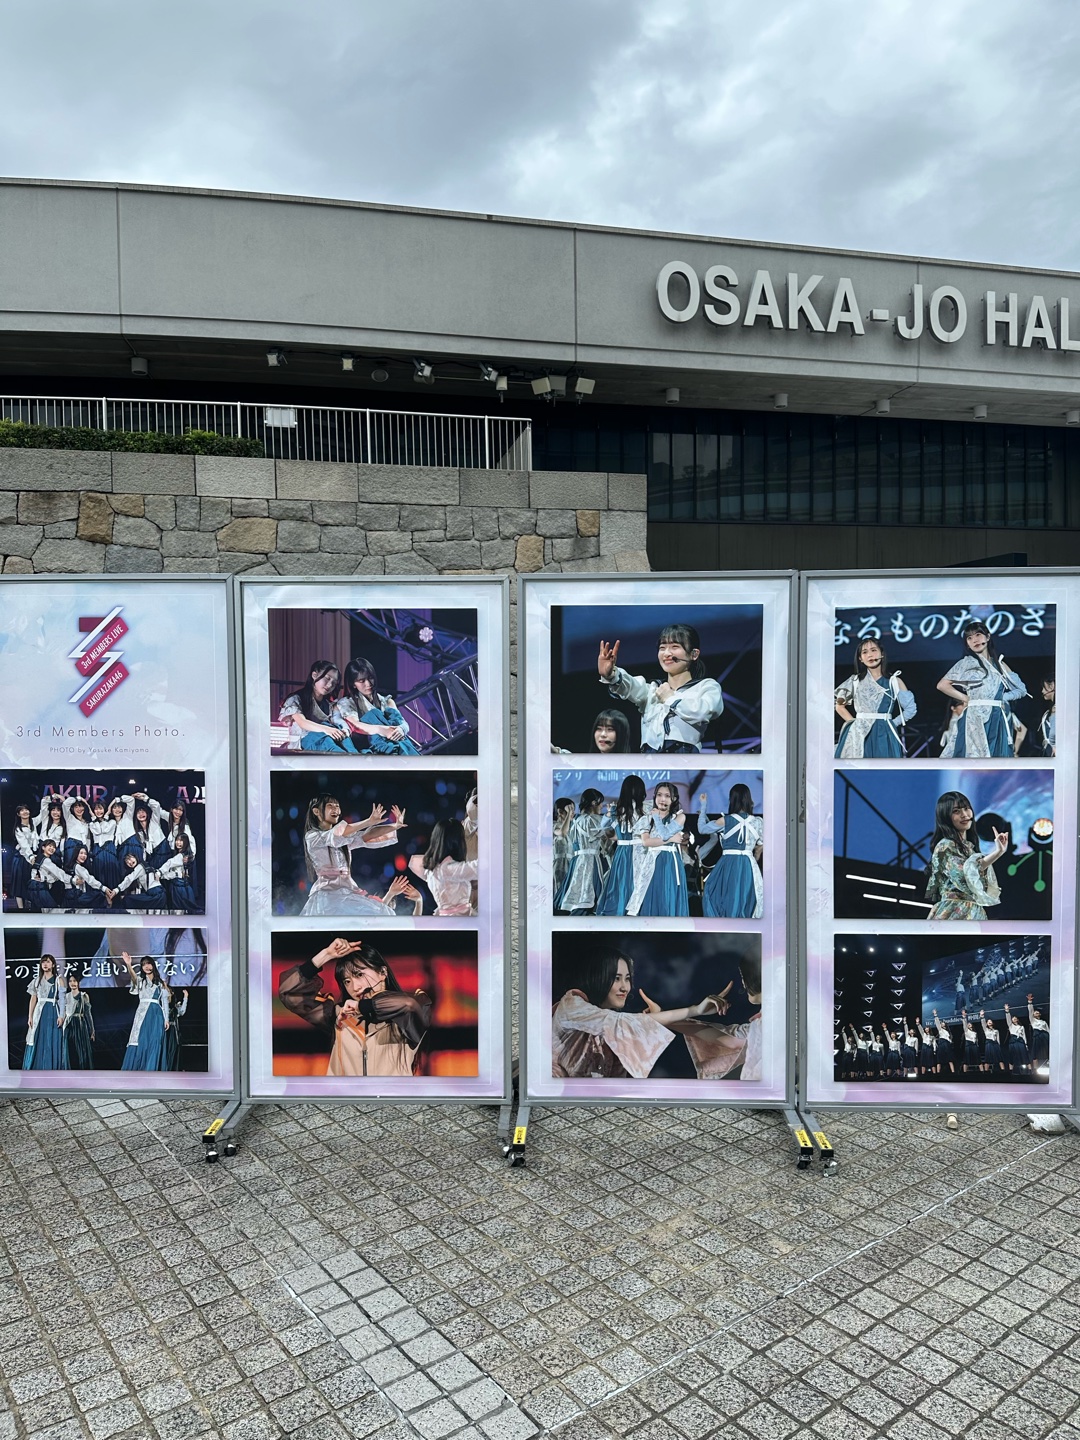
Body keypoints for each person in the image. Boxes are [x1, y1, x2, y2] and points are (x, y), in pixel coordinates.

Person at [551, 946, 721, 1079]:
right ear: (597, 977)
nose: (625, 987)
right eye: (616, 978)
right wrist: (695, 1010)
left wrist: (653, 1019)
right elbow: (620, 1022)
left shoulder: (612, 1029)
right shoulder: (571, 1004)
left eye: (627, 979)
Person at [278, 937, 433, 1077]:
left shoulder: (408, 1016)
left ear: (382, 972)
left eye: (359, 975)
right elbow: (289, 993)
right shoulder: (340, 1016)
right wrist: (326, 955)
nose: (355, 987)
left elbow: (409, 1004)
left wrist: (361, 1006)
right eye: (347, 981)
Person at [597, 623, 724, 753]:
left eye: (675, 647)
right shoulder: (653, 690)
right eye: (662, 648)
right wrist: (611, 675)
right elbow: (631, 685)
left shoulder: (706, 686)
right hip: (650, 761)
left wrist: (671, 698)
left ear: (694, 654)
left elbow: (702, 713)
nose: (667, 653)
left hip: (685, 760)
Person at [300, 795, 419, 917]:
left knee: (382, 913)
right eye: (330, 806)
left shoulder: (343, 840)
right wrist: (368, 821)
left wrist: (395, 826)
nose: (336, 809)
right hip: (328, 895)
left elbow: (366, 836)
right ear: (316, 811)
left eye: (337, 806)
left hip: (347, 892)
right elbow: (337, 834)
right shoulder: (313, 837)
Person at [936, 620, 1027, 758]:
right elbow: (942, 685)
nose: (975, 640)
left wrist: (1001, 698)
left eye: (978, 635)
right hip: (974, 717)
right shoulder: (966, 663)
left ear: (988, 637)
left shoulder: (1000, 664)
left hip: (996, 716)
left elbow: (1021, 690)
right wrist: (965, 698)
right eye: (969, 638)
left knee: (996, 758)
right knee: (973, 758)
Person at [676, 953, 765, 1081]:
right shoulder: (759, 1026)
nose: (743, 984)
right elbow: (730, 1039)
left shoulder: (779, 1021)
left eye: (744, 976)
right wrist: (695, 1010)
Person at [925, 792, 1007, 920]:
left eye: (966, 808)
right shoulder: (945, 846)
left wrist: (999, 852)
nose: (964, 814)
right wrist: (997, 853)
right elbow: (964, 876)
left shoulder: (970, 849)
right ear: (945, 817)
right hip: (954, 911)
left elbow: (977, 878)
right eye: (956, 811)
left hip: (974, 911)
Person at [834, 638, 916, 758]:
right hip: (859, 735)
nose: (870, 655)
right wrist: (855, 724)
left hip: (885, 734)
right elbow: (839, 706)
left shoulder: (894, 681)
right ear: (860, 658)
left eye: (873, 650)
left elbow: (910, 709)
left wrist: (892, 723)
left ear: (882, 654)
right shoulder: (854, 681)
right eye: (865, 652)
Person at [697, 785, 764, 919]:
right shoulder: (758, 822)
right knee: (746, 900)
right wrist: (754, 858)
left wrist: (703, 806)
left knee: (716, 895)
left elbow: (702, 829)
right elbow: (760, 845)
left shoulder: (725, 820)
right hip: (749, 866)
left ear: (732, 800)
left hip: (728, 864)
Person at [408, 794, 479, 916]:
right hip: (460, 919)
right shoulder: (448, 869)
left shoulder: (432, 869)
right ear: (456, 842)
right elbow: (478, 868)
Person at [333, 656, 419, 755]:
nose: (368, 684)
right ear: (353, 684)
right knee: (372, 715)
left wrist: (401, 729)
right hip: (371, 746)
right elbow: (356, 725)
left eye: (370, 678)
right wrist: (383, 730)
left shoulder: (387, 701)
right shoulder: (347, 703)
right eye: (362, 681)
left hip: (395, 741)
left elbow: (402, 722)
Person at [627, 783, 689, 917]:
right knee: (650, 895)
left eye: (667, 796)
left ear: (674, 799)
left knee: (668, 897)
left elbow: (664, 834)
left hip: (669, 862)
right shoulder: (646, 819)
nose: (663, 799)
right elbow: (646, 842)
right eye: (659, 795)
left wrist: (657, 820)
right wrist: (672, 839)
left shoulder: (679, 817)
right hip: (651, 862)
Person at [278, 660, 359, 754]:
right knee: (327, 742)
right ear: (314, 675)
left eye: (334, 683)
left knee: (344, 739)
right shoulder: (295, 699)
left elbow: (338, 720)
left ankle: (356, 756)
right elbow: (303, 723)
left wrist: (344, 730)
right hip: (304, 743)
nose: (330, 685)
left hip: (326, 739)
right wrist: (327, 730)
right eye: (327, 678)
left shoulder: (329, 704)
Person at [595, 777, 647, 917]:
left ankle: (620, 912)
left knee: (621, 883)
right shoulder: (645, 808)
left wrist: (609, 814)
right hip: (639, 851)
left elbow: (606, 830)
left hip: (622, 851)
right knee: (638, 883)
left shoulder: (616, 810)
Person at [557, 789, 608, 914]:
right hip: (589, 860)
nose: (602, 806)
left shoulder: (575, 821)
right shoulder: (592, 820)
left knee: (576, 892)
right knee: (587, 894)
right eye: (600, 803)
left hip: (576, 861)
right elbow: (607, 832)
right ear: (594, 803)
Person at [118, 952, 170, 1070]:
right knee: (140, 1040)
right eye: (144, 965)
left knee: (155, 1042)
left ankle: (152, 1069)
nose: (146, 966)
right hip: (143, 1013)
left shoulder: (161, 983)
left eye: (148, 964)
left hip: (157, 1015)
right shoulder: (141, 980)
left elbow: (165, 1002)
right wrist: (129, 965)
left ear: (153, 965)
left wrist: (166, 1019)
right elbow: (134, 978)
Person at [22, 955, 67, 1070]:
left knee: (51, 1039)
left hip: (52, 1012)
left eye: (48, 962)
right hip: (39, 1013)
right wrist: (30, 1016)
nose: (45, 964)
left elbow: (62, 1000)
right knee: (37, 1038)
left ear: (53, 964)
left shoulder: (58, 980)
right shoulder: (37, 981)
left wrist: (61, 1016)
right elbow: (33, 999)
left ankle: (51, 1068)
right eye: (43, 962)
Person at [63, 974, 96, 1070]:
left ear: (78, 983)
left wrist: (92, 1030)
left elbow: (88, 1014)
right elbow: (63, 1013)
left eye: (74, 981)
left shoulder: (83, 996)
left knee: (81, 1050)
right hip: (68, 1025)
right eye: (70, 981)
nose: (72, 983)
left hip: (80, 1024)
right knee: (70, 1049)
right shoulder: (66, 996)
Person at [552, 798, 575, 902]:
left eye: (573, 810)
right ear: (560, 812)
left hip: (571, 862)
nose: (572, 812)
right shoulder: (554, 825)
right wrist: (568, 814)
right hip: (559, 864)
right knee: (559, 889)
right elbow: (562, 833)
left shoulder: (572, 827)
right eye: (570, 809)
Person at [1027, 995, 1049, 1073]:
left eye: (1038, 1012)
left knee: (1047, 1051)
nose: (1036, 1013)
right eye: (1035, 1012)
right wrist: (1030, 1002)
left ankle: (1049, 1065)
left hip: (1045, 1036)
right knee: (1035, 1053)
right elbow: (1030, 1011)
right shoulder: (1033, 1021)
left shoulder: (1044, 1022)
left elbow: (1048, 1030)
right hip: (1037, 1036)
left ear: (1039, 1014)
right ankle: (1035, 1070)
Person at [1037, 675, 1056, 757]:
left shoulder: (1058, 709)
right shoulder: (1051, 709)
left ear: (1052, 686)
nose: (1042, 691)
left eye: (1044, 688)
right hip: (1048, 750)